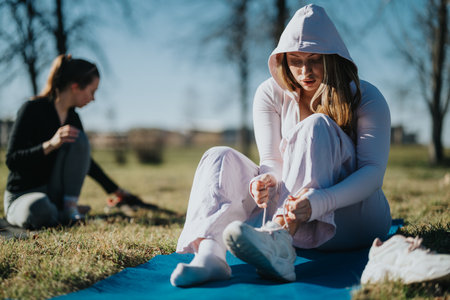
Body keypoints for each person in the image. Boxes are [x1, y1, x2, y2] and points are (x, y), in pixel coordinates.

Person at [170, 4, 392, 287]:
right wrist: (266, 180)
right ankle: (211, 255)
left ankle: (281, 239)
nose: (305, 71)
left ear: (333, 58)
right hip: (288, 212)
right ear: (283, 60)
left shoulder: (366, 96)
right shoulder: (269, 93)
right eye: (295, 60)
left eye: (315, 59)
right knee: (219, 156)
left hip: (353, 220)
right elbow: (272, 160)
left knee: (316, 125)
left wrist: (318, 203)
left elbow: (373, 173)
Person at [4, 54, 140, 229]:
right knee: (40, 210)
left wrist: (115, 190)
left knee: (80, 139)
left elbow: (85, 161)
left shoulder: (73, 118)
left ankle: (68, 209)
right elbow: (12, 160)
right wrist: (51, 144)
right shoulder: (32, 109)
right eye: (92, 91)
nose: (93, 98)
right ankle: (65, 213)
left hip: (53, 193)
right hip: (23, 196)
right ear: (76, 87)